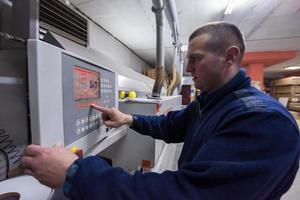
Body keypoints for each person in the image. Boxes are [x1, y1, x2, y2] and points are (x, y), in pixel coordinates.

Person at [21, 22, 300, 200]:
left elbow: (187, 193)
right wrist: (127, 118)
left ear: (230, 56)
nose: (188, 69)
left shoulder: (262, 121)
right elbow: (171, 125)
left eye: (196, 59)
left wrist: (75, 173)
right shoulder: (213, 102)